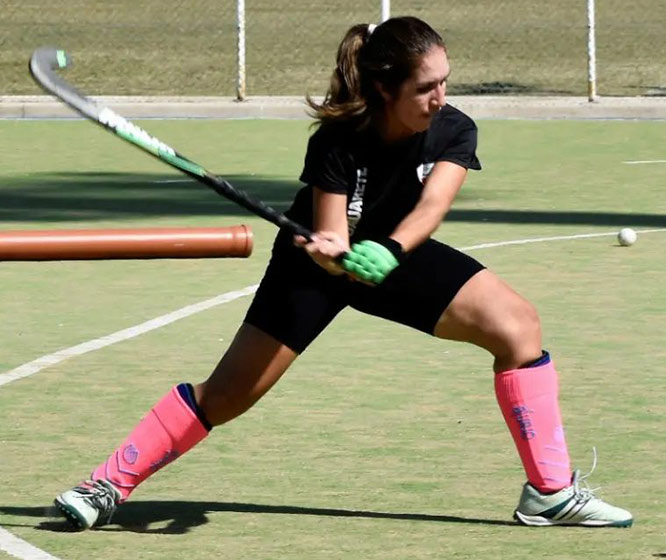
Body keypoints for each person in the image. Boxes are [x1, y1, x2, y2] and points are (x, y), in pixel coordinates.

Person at [53, 16, 633, 530]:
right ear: (385, 88)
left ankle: (550, 494)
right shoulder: (339, 140)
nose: (441, 95)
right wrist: (331, 253)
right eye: (426, 86)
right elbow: (331, 235)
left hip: (396, 253)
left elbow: (431, 207)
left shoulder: (453, 128)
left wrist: (391, 250)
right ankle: (105, 485)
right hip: (314, 267)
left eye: (444, 81)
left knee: (518, 328)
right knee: (228, 395)